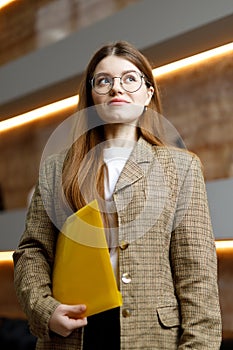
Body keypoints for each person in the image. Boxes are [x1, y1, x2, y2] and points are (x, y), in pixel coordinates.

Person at [13, 40, 222, 350]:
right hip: (72, 334)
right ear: (91, 97)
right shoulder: (57, 168)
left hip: (151, 336)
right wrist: (45, 309)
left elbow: (197, 274)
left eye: (130, 78)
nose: (116, 89)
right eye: (104, 81)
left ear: (148, 93)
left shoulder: (181, 167)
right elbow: (33, 251)